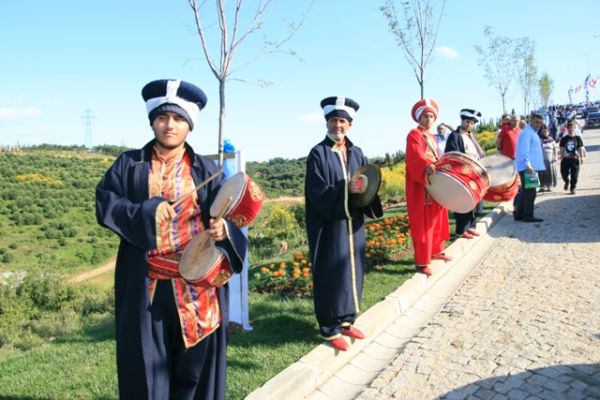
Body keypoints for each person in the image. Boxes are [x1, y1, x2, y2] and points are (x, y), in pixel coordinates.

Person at [96, 79, 248, 400]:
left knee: (193, 375)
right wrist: (146, 211)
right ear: (152, 121)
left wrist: (224, 232)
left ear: (189, 125)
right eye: (163, 117)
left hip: (197, 288)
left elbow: (229, 219)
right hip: (148, 288)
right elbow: (106, 204)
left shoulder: (208, 170)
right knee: (147, 372)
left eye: (178, 118)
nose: (170, 125)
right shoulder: (129, 165)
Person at [305, 96, 383, 352]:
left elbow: (366, 185)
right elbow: (317, 192)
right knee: (331, 273)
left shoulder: (357, 152)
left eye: (342, 121)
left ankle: (347, 320)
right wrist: (346, 189)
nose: (337, 125)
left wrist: (366, 190)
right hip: (329, 224)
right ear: (327, 122)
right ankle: (329, 328)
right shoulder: (318, 153)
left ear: (350, 124)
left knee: (353, 270)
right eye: (333, 120)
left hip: (354, 223)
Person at [405, 99, 450, 277]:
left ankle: (436, 250)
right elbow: (415, 156)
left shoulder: (432, 136)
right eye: (425, 116)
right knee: (423, 222)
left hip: (434, 180)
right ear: (419, 118)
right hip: (422, 183)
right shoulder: (414, 134)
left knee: (437, 216)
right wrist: (426, 166)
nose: (429, 119)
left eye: (431, 116)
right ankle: (422, 261)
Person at [444, 109, 486, 238]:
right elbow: (453, 156)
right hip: (461, 175)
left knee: (471, 203)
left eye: (472, 123)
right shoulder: (455, 136)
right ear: (462, 121)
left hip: (473, 174)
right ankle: (461, 230)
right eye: (467, 122)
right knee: (462, 202)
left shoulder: (470, 137)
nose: (469, 125)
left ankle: (470, 227)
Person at [513, 112, 546, 222]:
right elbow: (524, 150)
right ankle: (528, 216)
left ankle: (519, 215)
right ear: (531, 120)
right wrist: (528, 164)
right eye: (536, 122)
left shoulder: (531, 132)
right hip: (528, 167)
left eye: (540, 123)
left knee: (526, 192)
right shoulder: (527, 133)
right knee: (530, 193)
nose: (538, 124)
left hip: (529, 166)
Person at [559, 120, 585, 195]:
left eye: (572, 128)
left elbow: (580, 148)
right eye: (569, 128)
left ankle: (573, 188)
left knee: (575, 175)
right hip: (565, 159)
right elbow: (561, 148)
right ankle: (567, 181)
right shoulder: (564, 139)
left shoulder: (578, 138)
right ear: (567, 129)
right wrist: (561, 156)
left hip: (575, 159)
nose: (571, 129)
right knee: (564, 174)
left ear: (574, 128)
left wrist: (582, 157)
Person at [538, 125, 558, 192]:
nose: (545, 132)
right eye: (543, 131)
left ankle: (550, 185)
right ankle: (543, 186)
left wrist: (555, 156)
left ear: (548, 132)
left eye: (546, 131)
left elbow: (555, 149)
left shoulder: (552, 140)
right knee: (542, 173)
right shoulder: (539, 140)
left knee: (550, 173)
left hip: (550, 159)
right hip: (542, 159)